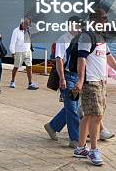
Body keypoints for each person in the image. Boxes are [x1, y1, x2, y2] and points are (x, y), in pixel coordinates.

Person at [73, 7, 116, 166]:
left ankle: (80, 148)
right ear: (94, 19)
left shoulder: (100, 36)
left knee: (90, 115)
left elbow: (108, 57)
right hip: (91, 82)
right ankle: (94, 150)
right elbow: (81, 59)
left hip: (101, 81)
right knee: (96, 116)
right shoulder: (86, 36)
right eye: (104, 18)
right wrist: (81, 80)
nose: (106, 21)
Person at [44, 16, 83, 147]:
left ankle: (52, 126)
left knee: (72, 106)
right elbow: (59, 59)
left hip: (76, 77)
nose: (79, 28)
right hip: (67, 77)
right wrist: (62, 78)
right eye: (77, 26)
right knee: (72, 108)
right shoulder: (63, 40)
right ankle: (75, 139)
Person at [9, 18, 39, 90]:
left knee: (29, 67)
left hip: (28, 51)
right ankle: (12, 81)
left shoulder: (28, 30)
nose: (27, 25)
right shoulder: (16, 31)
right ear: (21, 23)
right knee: (16, 67)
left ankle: (30, 83)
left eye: (28, 23)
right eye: (25, 23)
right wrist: (13, 52)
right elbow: (12, 42)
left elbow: (37, 29)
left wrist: (31, 23)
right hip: (19, 52)